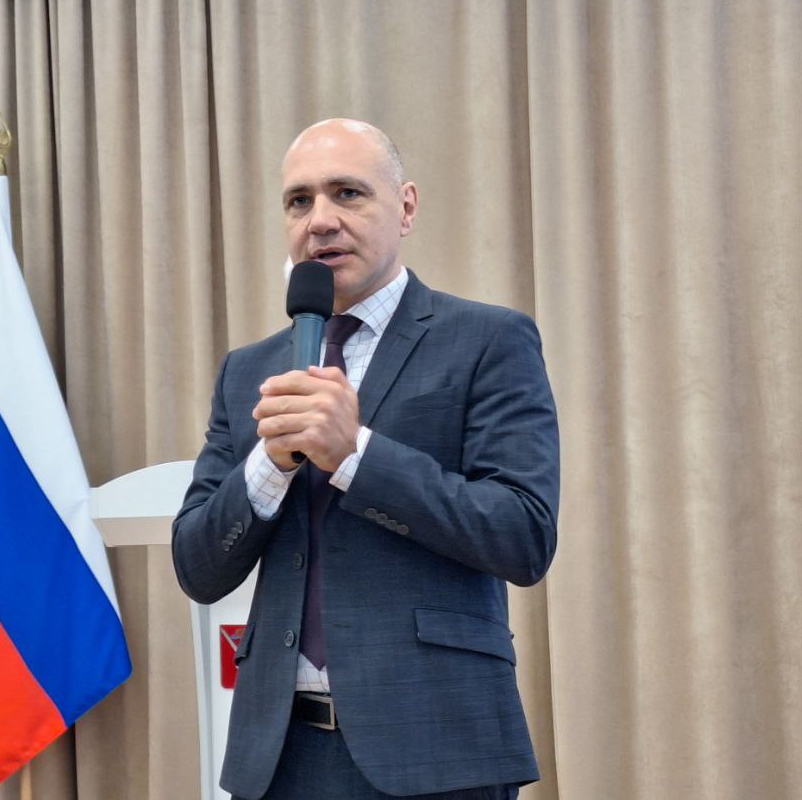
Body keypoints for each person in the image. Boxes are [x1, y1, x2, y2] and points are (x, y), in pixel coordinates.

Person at [172, 119, 559, 799]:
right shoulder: (250, 372)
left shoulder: (488, 340)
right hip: (278, 759)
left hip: (439, 750)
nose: (320, 220)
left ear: (405, 207)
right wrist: (270, 465)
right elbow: (198, 567)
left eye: (347, 193)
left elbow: (522, 535)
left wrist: (356, 455)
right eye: (299, 201)